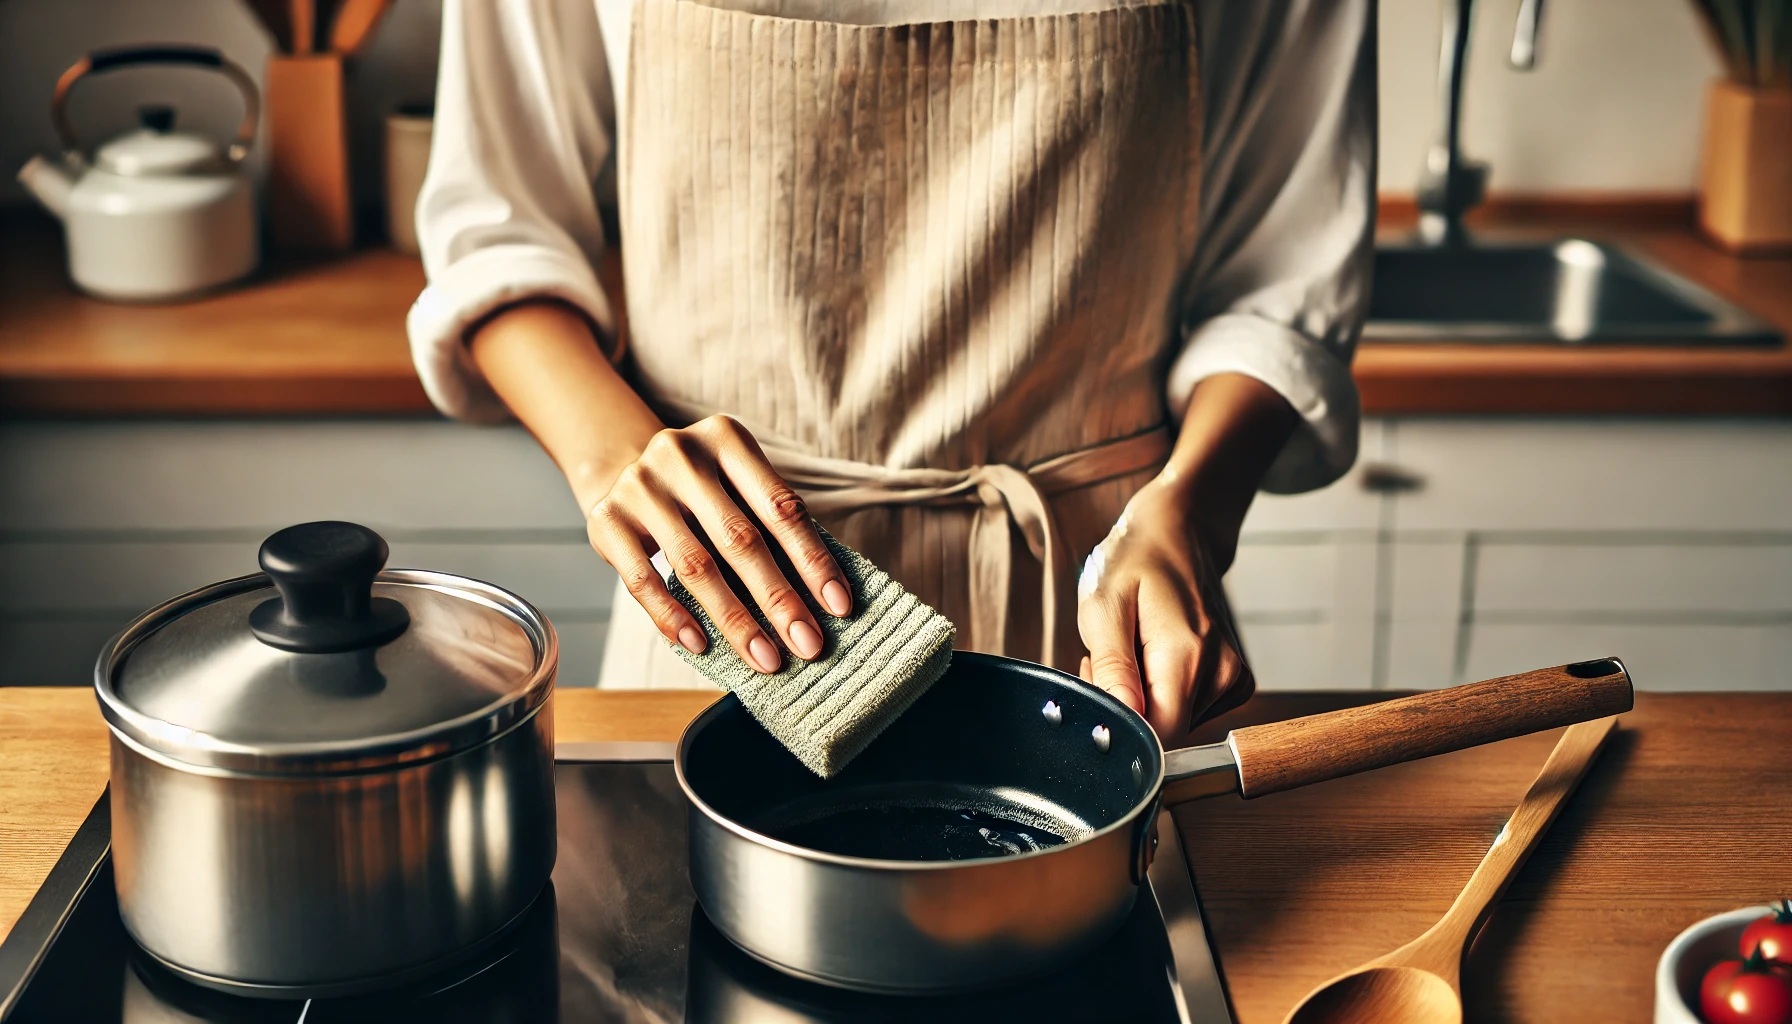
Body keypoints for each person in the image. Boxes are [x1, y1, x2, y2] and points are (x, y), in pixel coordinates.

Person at [408, 0, 1374, 747]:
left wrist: (1193, 510)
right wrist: (617, 460)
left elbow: (1278, 282)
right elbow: (501, 231)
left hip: (1092, 614)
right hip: (726, 618)